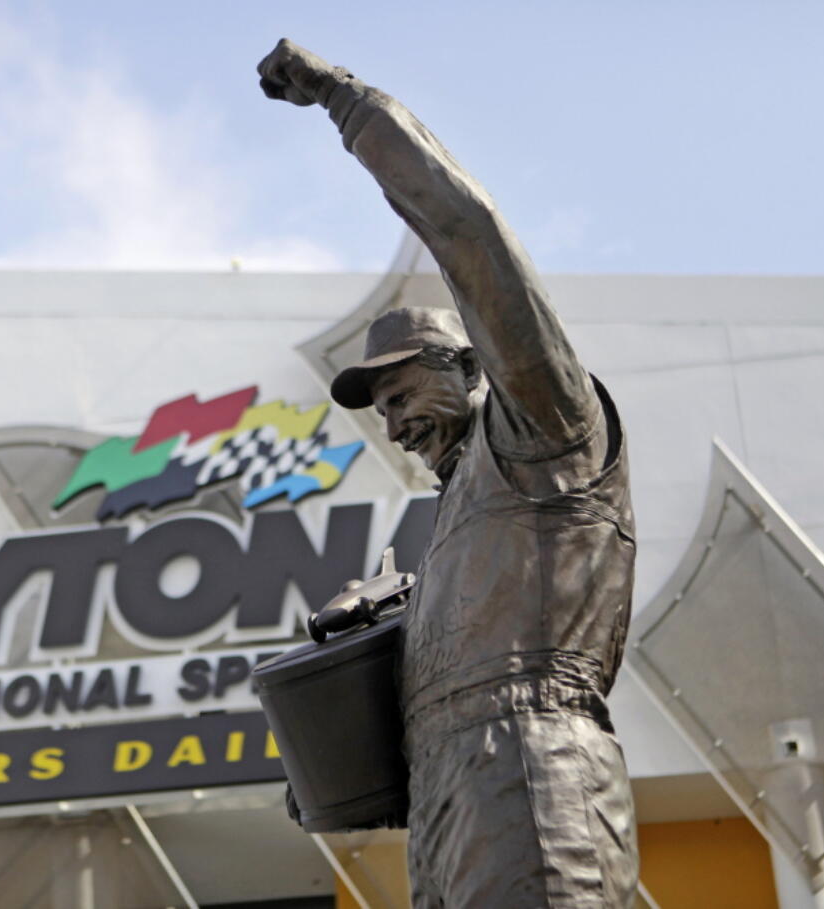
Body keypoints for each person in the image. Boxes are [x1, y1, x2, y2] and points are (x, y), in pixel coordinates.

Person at [258, 40, 639, 907]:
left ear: (474, 368)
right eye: (380, 406)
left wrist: (346, 103)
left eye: (405, 387)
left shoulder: (545, 430)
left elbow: (470, 235)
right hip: (447, 796)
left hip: (535, 770)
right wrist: (365, 670)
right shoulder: (450, 538)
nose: (393, 419)